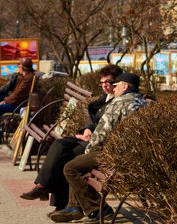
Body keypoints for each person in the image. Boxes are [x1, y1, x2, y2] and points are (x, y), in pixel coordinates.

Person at [20, 64, 122, 210]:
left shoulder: (118, 101)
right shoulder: (105, 98)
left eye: (109, 82)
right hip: (91, 136)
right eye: (102, 82)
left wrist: (91, 135)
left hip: (99, 143)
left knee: (65, 158)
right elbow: (96, 120)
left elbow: (107, 125)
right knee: (59, 144)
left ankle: (62, 204)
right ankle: (42, 186)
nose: (105, 85)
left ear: (118, 83)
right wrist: (87, 129)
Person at [50, 71, 147, 222]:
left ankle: (99, 209)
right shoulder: (142, 102)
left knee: (71, 167)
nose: (113, 89)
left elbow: (102, 133)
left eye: (116, 86)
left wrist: (88, 152)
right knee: (78, 162)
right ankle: (74, 206)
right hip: (137, 155)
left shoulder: (119, 103)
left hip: (118, 155)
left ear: (125, 86)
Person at [0, 57, 35, 145]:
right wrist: (0, 95)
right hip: (17, 101)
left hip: (19, 105)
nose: (17, 68)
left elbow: (17, 94)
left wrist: (6, 101)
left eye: (19, 66)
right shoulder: (24, 76)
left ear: (23, 68)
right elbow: (13, 91)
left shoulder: (28, 78)